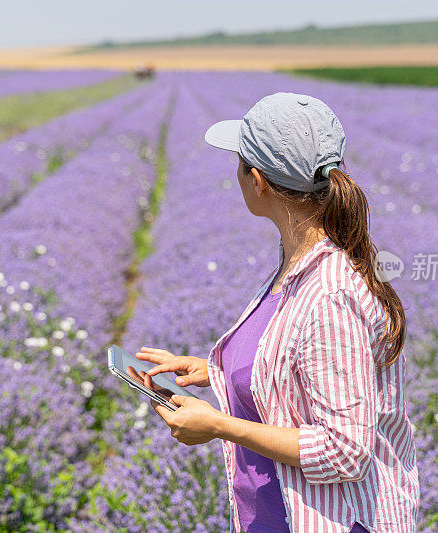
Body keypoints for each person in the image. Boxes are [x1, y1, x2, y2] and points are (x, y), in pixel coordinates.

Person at [133, 92, 419, 533]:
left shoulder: (329, 295)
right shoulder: (296, 262)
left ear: (258, 180)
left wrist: (219, 426)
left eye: (239, 163)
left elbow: (346, 452)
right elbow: (294, 359)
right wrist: (216, 370)